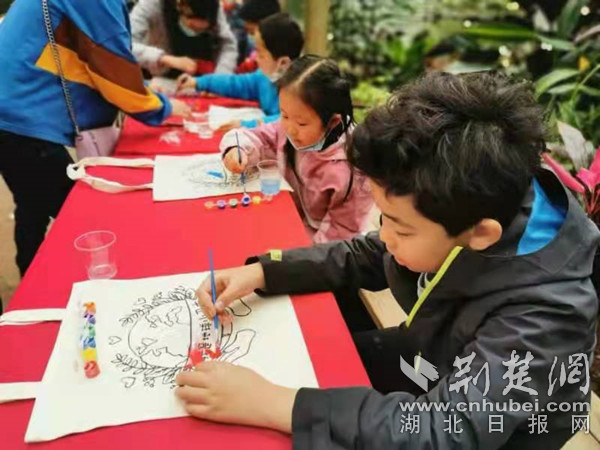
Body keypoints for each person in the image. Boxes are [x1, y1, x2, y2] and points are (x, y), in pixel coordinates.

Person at [176, 71, 600, 449]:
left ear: (480, 234)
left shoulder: (545, 316)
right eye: (383, 218)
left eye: (400, 227)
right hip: (430, 355)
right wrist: (263, 271)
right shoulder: (470, 200)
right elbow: (370, 252)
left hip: (493, 429)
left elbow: (446, 431)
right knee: (309, 358)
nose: (385, 236)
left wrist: (277, 404)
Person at [0, 0, 190, 276]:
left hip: (14, 115)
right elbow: (110, 66)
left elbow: (86, 56)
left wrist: (144, 88)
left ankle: (30, 281)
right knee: (89, 221)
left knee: (32, 204)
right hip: (23, 122)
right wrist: (163, 107)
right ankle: (62, 288)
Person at [220, 55, 373, 243]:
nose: (290, 129)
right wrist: (238, 149)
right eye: (284, 115)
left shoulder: (353, 171)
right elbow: (260, 136)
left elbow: (340, 235)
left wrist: (301, 256)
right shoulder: (290, 129)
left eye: (301, 123)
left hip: (324, 243)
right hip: (294, 218)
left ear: (333, 122)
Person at [176, 12, 303, 130]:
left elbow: (286, 123)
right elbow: (236, 83)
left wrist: (246, 125)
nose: (255, 58)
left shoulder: (300, 92)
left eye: (260, 54)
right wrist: (199, 82)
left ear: (283, 63)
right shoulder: (264, 78)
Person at [131, 0, 238, 76]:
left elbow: (228, 45)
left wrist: (220, 79)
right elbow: (127, 44)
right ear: (180, 7)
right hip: (160, 76)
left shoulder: (212, 7)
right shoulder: (152, 5)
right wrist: (163, 58)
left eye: (202, 30)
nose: (195, 32)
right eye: (192, 26)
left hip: (201, 79)